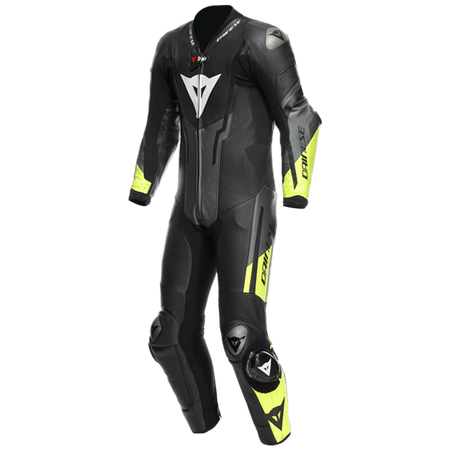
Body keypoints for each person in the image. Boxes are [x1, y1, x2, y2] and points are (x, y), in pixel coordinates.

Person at [126, 3, 324, 447]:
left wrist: (297, 187)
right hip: (188, 211)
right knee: (167, 335)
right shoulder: (170, 46)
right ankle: (205, 431)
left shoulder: (262, 39)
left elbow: (299, 113)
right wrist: (142, 184)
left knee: (242, 336)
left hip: (246, 208)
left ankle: (278, 440)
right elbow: (159, 122)